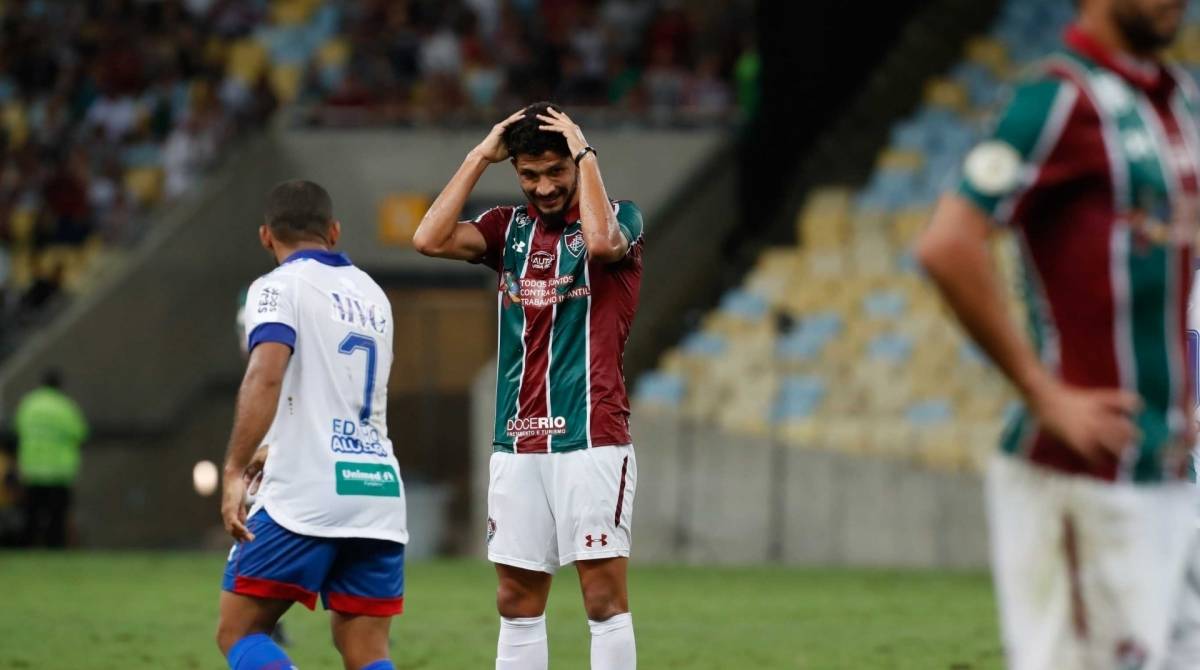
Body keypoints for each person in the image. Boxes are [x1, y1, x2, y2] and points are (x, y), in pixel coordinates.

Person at [916, 0, 1199, 668]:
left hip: (1171, 470)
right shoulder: (1056, 99)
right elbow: (947, 245)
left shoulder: (1181, 102)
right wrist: (1045, 394)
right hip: (1086, 475)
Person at [412, 102, 643, 670]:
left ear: (576, 163)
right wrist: (478, 157)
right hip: (516, 443)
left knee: (603, 600)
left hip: (591, 439)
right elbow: (427, 238)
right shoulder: (504, 229)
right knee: (516, 602)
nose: (542, 187)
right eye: (528, 175)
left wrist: (585, 154)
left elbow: (600, 246)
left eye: (554, 172)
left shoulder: (622, 218)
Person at [215, 180, 405, 670]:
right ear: (334, 231)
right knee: (366, 651)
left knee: (239, 631)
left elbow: (266, 376)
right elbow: (334, 392)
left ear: (265, 237)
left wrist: (235, 468)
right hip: (377, 489)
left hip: (309, 493)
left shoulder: (276, 286)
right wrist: (276, 444)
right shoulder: (374, 294)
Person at [15, 368, 88, 549]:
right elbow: (81, 434)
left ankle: (27, 549)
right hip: (59, 472)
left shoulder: (29, 404)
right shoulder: (65, 406)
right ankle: (54, 550)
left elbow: (17, 430)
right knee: (57, 516)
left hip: (32, 469)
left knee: (31, 515)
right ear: (59, 385)